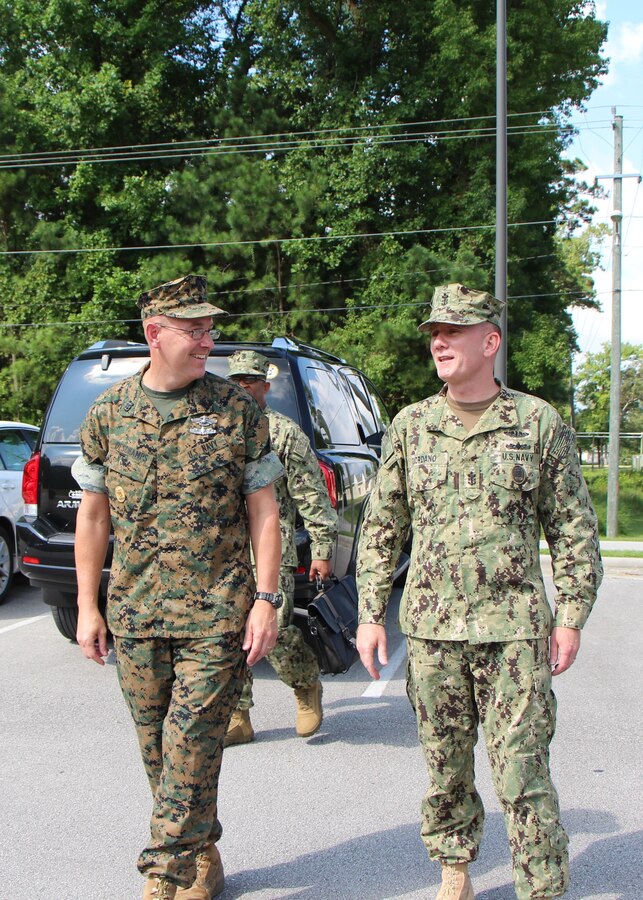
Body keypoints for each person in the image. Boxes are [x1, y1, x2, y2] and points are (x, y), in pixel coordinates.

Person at [356, 283, 603, 900]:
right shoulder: (412, 426)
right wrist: (369, 613)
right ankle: (455, 866)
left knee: (522, 767)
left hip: (515, 631)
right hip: (433, 630)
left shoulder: (538, 422)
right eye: (434, 333)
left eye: (453, 332)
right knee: (445, 765)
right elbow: (383, 526)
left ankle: (541, 884)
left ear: (489, 341)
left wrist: (570, 615)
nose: (438, 342)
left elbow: (572, 527)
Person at [71, 275, 284, 900]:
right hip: (136, 614)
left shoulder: (235, 409)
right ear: (154, 333)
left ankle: (161, 879)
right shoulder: (109, 413)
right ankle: (202, 854)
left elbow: (265, 512)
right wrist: (88, 605)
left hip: (216, 615)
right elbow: (93, 516)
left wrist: (267, 600)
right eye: (193, 330)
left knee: (190, 746)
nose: (206, 340)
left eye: (209, 329)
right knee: (160, 756)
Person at [224, 350, 338, 744]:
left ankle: (306, 687)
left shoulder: (285, 433)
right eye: (235, 380)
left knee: (276, 632)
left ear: (264, 386)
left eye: (249, 381)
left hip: (274, 550)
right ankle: (238, 715)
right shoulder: (217, 430)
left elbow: (312, 495)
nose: (241, 386)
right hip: (224, 556)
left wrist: (323, 548)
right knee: (227, 636)